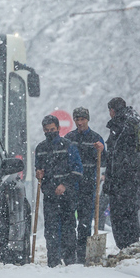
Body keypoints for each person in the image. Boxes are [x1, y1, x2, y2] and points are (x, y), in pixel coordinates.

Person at [35, 114, 84, 267]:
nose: (50, 132)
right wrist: (38, 173)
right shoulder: (40, 148)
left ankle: (70, 259)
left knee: (69, 227)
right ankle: (53, 260)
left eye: (53, 129)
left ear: (58, 129)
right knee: (51, 229)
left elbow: (77, 171)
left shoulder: (68, 146)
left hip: (67, 195)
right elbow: (39, 169)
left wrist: (64, 185)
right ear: (43, 130)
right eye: (47, 130)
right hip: (49, 195)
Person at [64, 107, 106, 264]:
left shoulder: (96, 138)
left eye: (83, 119)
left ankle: (82, 255)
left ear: (88, 120)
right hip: (71, 187)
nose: (80, 122)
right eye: (77, 119)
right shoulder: (69, 138)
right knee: (69, 222)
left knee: (85, 223)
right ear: (74, 120)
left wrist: (101, 151)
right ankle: (69, 255)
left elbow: (105, 161)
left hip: (88, 187)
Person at [103, 97, 140, 250]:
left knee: (120, 219)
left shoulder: (120, 127)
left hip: (121, 183)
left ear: (112, 110)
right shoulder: (133, 124)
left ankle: (126, 248)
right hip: (131, 181)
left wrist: (110, 181)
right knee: (130, 216)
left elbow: (115, 158)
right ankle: (131, 247)